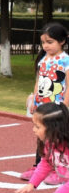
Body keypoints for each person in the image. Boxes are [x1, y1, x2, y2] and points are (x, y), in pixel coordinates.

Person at [21, 22, 69, 184]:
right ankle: (38, 165)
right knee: (41, 136)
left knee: (57, 137)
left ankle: (58, 169)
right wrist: (34, 99)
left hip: (57, 108)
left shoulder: (65, 60)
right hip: (43, 105)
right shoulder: (44, 59)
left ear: (62, 41)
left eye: (50, 42)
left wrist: (64, 106)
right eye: (43, 42)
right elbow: (39, 81)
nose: (46, 46)